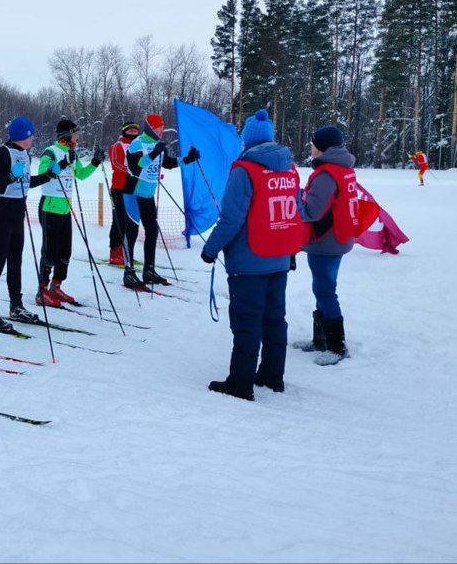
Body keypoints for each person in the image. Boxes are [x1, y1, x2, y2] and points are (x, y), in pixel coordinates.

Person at [201, 109, 303, 401]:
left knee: (247, 321)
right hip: (279, 256)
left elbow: (231, 219)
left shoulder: (244, 170)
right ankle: (272, 375)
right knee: (274, 319)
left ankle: (240, 382)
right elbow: (295, 212)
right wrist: (291, 249)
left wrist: (211, 249)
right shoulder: (289, 168)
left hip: (249, 260)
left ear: (247, 140)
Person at [0, 116, 52, 331]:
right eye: (31, 135)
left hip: (16, 210)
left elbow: (26, 182)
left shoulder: (25, 154)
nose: (33, 138)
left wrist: (47, 176)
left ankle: (16, 305)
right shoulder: (2, 153)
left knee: (15, 260)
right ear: (23, 136)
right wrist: (10, 178)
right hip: (0, 211)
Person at [297, 125, 359, 365]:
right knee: (322, 288)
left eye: (313, 144)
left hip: (326, 241)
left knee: (324, 290)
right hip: (337, 238)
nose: (311, 147)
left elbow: (311, 211)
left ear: (322, 147)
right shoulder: (342, 168)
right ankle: (320, 340)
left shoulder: (327, 174)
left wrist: (296, 196)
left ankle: (336, 346)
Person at [122, 114, 199, 289]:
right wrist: (153, 153)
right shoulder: (137, 144)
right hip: (133, 193)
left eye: (162, 128)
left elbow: (168, 163)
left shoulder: (159, 145)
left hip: (147, 194)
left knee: (152, 230)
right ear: (150, 128)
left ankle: (149, 270)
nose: (161, 131)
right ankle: (128, 272)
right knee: (131, 231)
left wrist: (188, 158)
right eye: (158, 128)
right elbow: (135, 168)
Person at [35, 119, 103, 306]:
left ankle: (56, 286)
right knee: (50, 251)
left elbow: (80, 175)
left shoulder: (71, 154)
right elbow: (43, 174)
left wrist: (95, 163)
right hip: (49, 207)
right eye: (75, 134)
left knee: (65, 250)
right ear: (66, 135)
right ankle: (42, 290)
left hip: (65, 208)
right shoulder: (51, 152)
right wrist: (64, 163)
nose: (78, 138)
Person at [107, 122, 140, 266]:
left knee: (131, 221)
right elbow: (116, 163)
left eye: (135, 131)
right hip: (119, 188)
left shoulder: (139, 146)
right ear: (125, 131)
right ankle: (115, 252)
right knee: (119, 220)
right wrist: (132, 172)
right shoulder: (117, 146)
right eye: (130, 130)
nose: (133, 133)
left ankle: (127, 252)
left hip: (135, 189)